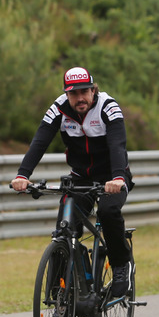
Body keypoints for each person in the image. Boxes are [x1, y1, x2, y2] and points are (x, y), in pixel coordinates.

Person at [11, 67, 135, 301]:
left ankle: (121, 267)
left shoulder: (108, 107)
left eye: (84, 92)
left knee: (108, 212)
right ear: (66, 94)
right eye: (73, 94)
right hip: (80, 177)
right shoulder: (58, 108)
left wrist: (118, 177)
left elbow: (118, 144)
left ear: (93, 89)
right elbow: (39, 142)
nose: (80, 98)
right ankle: (60, 298)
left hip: (113, 176)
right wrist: (22, 174)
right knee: (64, 230)